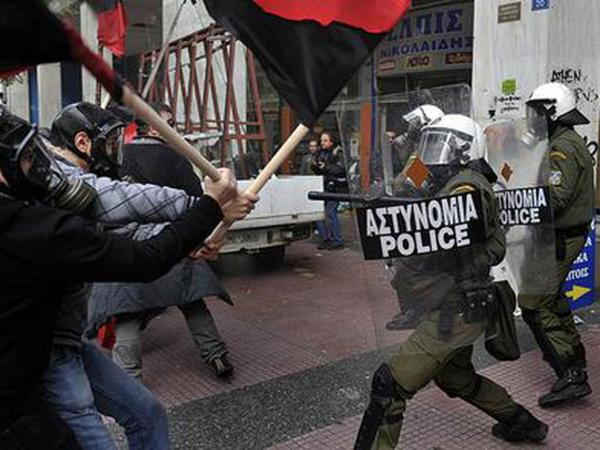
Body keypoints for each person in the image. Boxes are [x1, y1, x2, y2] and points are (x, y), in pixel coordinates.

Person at [0, 110, 240, 449]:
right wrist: (208, 205)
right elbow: (128, 237)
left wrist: (193, 235)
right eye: (28, 156)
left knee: (147, 414)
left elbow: (112, 231)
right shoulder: (30, 222)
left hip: (61, 340)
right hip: (35, 361)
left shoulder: (30, 206)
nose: (41, 167)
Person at [354, 115, 548, 449]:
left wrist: (399, 225)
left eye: (438, 143)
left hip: (456, 308)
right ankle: (522, 423)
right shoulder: (445, 178)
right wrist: (384, 202)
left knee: (390, 385)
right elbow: (409, 188)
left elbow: (443, 226)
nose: (430, 152)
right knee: (456, 377)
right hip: (453, 303)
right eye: (428, 142)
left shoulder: (466, 187)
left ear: (463, 149)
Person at [91, 102, 236, 379]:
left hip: (129, 246)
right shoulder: (175, 158)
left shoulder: (117, 159)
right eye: (169, 123)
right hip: (173, 239)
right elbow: (202, 202)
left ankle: (129, 378)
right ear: (152, 126)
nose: (174, 130)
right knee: (191, 300)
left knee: (128, 312)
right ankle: (216, 355)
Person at [519, 82, 593, 407]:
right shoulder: (562, 141)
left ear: (554, 111)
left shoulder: (562, 147)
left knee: (535, 304)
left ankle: (572, 375)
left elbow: (556, 197)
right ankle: (575, 354)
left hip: (561, 238)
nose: (534, 118)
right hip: (562, 236)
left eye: (539, 111)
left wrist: (519, 203)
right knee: (554, 297)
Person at [385, 104, 445, 331]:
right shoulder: (420, 150)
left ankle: (413, 312)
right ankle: (413, 309)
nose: (410, 129)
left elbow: (407, 184)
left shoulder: (426, 154)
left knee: (406, 267)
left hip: (416, 214)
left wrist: (390, 184)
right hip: (410, 213)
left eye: (415, 126)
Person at [312, 132, 347, 250]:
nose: (322, 143)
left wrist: (325, 167)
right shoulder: (321, 153)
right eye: (322, 140)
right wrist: (316, 166)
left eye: (325, 140)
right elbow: (320, 171)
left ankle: (337, 240)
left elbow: (341, 169)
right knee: (320, 213)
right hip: (325, 186)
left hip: (336, 188)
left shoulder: (338, 152)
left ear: (331, 142)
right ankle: (326, 238)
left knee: (330, 212)